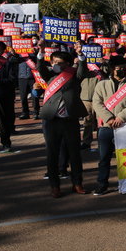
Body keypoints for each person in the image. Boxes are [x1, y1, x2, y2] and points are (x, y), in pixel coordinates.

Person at [38, 50, 88, 198]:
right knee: (52, 154)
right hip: (51, 120)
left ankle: (77, 183)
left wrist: (81, 55)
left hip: (70, 120)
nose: (55, 65)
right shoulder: (50, 75)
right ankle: (55, 186)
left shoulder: (73, 75)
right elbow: (40, 68)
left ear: (67, 64)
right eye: (53, 62)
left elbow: (82, 71)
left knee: (74, 154)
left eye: (59, 63)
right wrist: (40, 53)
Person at [92, 56, 126, 195]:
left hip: (125, 126)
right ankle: (102, 184)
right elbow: (97, 103)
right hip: (106, 127)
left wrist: (121, 117)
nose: (121, 70)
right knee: (104, 158)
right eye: (118, 68)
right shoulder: (101, 84)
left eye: (123, 67)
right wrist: (109, 118)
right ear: (112, 69)